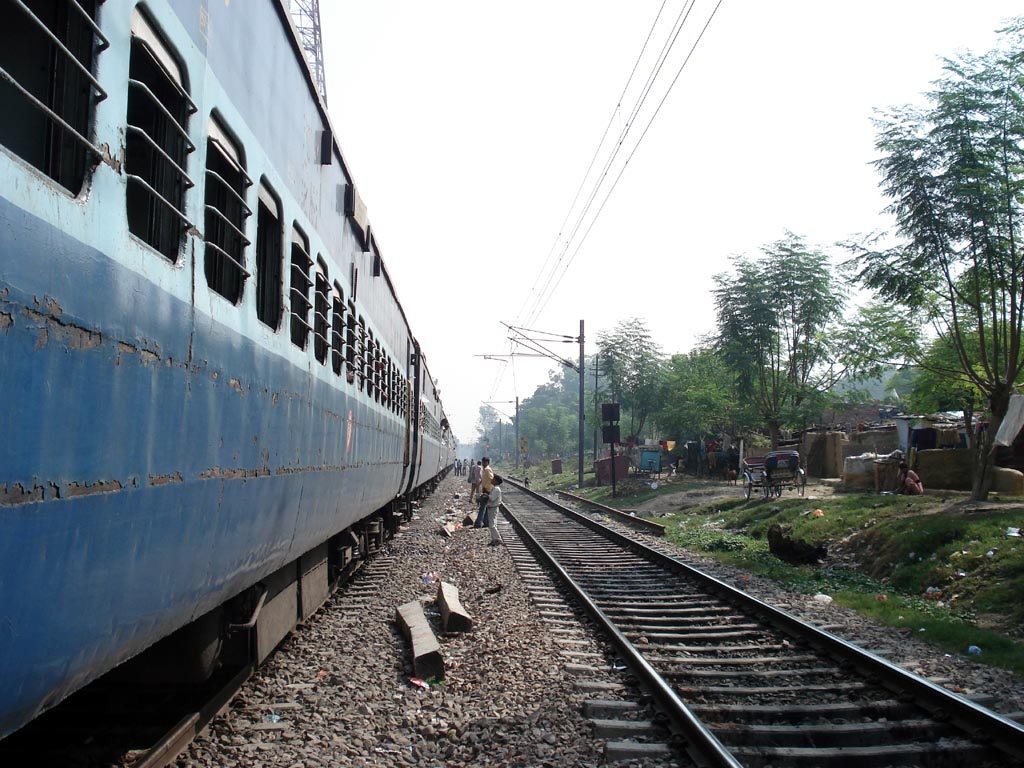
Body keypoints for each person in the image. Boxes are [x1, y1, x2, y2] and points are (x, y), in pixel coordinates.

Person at [484, 475, 504, 545]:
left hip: (493, 508)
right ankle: (494, 539)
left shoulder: (496, 489)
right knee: (493, 524)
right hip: (492, 508)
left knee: (492, 525)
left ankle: (498, 539)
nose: (491, 479)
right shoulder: (495, 488)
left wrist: (486, 495)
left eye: (493, 479)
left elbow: (492, 498)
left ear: (496, 481)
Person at [475, 457, 494, 528]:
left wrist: (486, 487)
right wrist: (480, 482)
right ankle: (486, 522)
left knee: (482, 506)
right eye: (483, 462)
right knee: (485, 507)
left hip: (487, 490)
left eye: (485, 462)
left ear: (488, 463)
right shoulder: (484, 469)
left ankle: (478, 523)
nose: (483, 463)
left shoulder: (488, 470)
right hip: (485, 490)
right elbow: (485, 478)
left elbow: (492, 479)